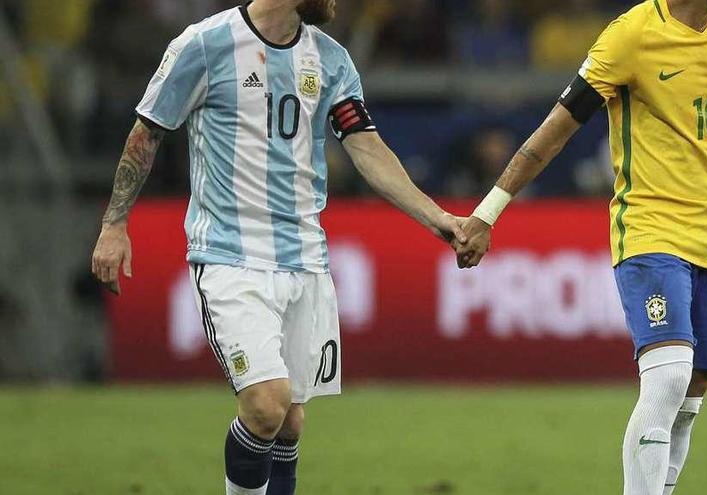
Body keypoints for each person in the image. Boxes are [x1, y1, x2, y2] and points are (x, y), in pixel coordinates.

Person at [453, 1, 707, 494]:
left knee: (693, 390)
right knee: (669, 376)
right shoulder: (631, 35)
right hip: (650, 227)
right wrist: (487, 213)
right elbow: (555, 130)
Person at [90, 1, 466, 494]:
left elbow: (366, 147)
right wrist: (114, 224)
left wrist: (434, 215)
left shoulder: (330, 60)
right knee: (266, 403)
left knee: (289, 421)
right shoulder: (203, 45)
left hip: (305, 260)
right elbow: (148, 130)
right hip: (230, 257)